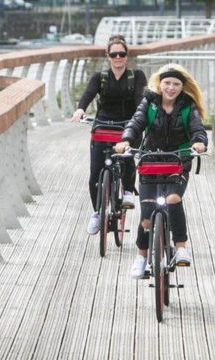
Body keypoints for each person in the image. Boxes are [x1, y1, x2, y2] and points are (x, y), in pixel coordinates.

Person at [114, 63, 208, 279]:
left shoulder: (187, 106)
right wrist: (126, 140)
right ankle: (141, 257)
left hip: (178, 160)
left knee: (173, 199)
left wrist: (199, 143)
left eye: (176, 84)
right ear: (160, 83)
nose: (171, 88)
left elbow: (197, 129)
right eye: (167, 83)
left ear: (182, 87)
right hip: (150, 161)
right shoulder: (149, 102)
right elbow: (136, 123)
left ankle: (181, 248)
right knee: (147, 214)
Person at [71, 35, 148, 236]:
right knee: (95, 175)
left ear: (126, 55)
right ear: (108, 56)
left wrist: (142, 117)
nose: (118, 57)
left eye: (121, 54)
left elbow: (141, 98)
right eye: (114, 54)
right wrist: (80, 109)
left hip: (128, 125)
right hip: (103, 125)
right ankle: (97, 213)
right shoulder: (100, 78)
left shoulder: (137, 76)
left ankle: (129, 190)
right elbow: (88, 94)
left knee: (128, 158)